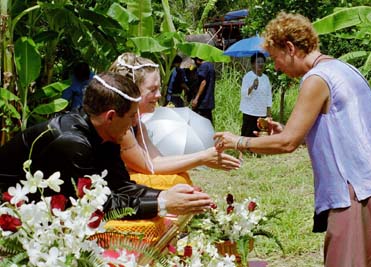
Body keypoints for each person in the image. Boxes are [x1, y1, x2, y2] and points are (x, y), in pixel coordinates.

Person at [214, 12, 371, 267]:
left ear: (290, 48)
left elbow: (286, 143)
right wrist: (299, 135)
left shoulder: (316, 79)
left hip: (359, 190)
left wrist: (238, 141)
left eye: (276, 58)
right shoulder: (343, 68)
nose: (276, 67)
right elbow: (345, 130)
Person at [0, 72, 213, 219]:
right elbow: (100, 205)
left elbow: (119, 186)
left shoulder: (107, 134)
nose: (133, 124)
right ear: (110, 116)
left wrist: (164, 194)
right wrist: (164, 203)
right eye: (131, 117)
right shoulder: (71, 143)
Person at [108, 53, 241, 185]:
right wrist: (202, 158)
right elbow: (149, 166)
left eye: (159, 89)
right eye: (153, 90)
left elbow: (157, 160)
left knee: (181, 176)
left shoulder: (138, 125)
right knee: (177, 181)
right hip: (112, 185)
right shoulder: (121, 127)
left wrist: (204, 156)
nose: (159, 95)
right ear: (132, 91)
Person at [240, 53, 272, 137]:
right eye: (258, 62)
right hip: (249, 111)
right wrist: (252, 86)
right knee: (247, 132)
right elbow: (244, 93)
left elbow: (268, 95)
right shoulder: (248, 76)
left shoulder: (265, 78)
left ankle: (255, 149)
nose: (260, 64)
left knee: (259, 133)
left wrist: (268, 111)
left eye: (262, 62)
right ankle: (244, 149)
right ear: (253, 64)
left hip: (261, 111)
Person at [191, 57, 215, 124]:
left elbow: (203, 82)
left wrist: (196, 98)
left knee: (199, 122)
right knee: (207, 122)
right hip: (208, 101)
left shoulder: (203, 66)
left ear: (198, 60)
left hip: (202, 102)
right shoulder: (210, 65)